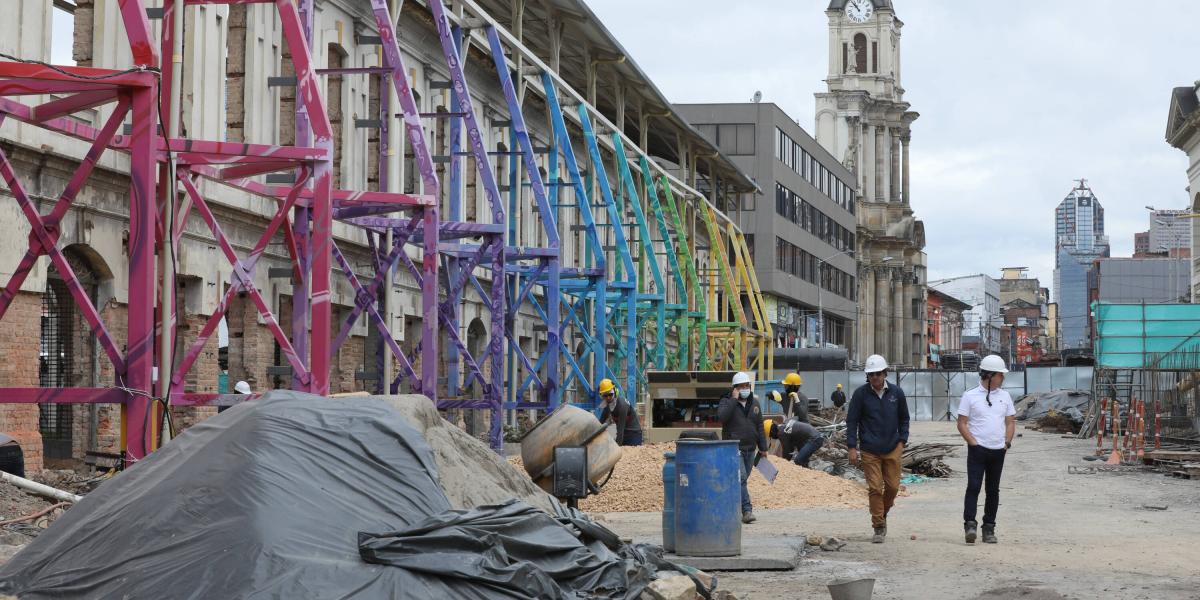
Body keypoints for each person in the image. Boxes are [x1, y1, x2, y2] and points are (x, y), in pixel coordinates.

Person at [846, 354, 910, 544]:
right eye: (871, 374)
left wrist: (902, 442)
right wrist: (852, 447)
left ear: (885, 373)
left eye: (878, 374)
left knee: (892, 487)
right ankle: (879, 526)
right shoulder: (860, 395)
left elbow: (904, 419)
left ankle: (882, 513)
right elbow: (852, 421)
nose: (875, 377)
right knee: (875, 488)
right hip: (869, 450)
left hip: (892, 448)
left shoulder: (896, 394)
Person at [957, 355, 1016, 545]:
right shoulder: (970, 395)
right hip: (978, 450)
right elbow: (962, 423)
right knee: (973, 487)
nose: (1003, 378)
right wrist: (973, 442)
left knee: (993, 490)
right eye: (1000, 375)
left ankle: (989, 527)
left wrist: (1006, 443)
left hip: (998, 451)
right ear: (990, 375)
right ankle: (970, 524)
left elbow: (1010, 422)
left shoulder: (1005, 396)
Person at [718, 371, 767, 524]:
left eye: (747, 386)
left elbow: (759, 425)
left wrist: (763, 447)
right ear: (734, 388)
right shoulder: (726, 402)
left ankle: (728, 507)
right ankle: (747, 510)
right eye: (741, 387)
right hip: (734, 448)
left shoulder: (755, 403)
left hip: (750, 449)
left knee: (739, 481)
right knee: (741, 479)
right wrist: (733, 400)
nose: (744, 389)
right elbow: (722, 418)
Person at [598, 378, 642, 446]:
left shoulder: (622, 405)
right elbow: (600, 423)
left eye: (610, 394)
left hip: (633, 435)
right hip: (623, 434)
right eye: (605, 395)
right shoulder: (607, 405)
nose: (608, 397)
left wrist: (618, 446)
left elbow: (620, 428)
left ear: (615, 391)